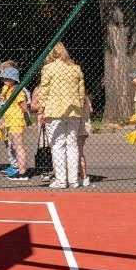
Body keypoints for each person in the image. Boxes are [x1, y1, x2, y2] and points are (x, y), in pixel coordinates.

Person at [36, 43, 87, 188]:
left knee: (57, 145)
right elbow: (81, 90)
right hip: (73, 109)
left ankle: (61, 179)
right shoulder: (75, 68)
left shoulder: (48, 68)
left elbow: (44, 89)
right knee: (72, 144)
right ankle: (74, 179)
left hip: (54, 109)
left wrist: (42, 107)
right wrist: (80, 104)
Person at [0, 64, 31, 179]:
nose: (5, 80)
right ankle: (19, 169)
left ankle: (22, 172)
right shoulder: (6, 89)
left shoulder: (18, 90)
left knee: (18, 145)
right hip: (9, 120)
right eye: (4, 78)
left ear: (13, 79)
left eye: (7, 78)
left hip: (16, 120)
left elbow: (24, 107)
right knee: (15, 146)